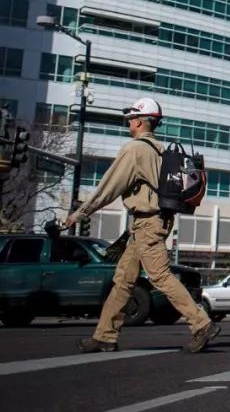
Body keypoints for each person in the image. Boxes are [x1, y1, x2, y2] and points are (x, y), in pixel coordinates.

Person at [63, 97, 221, 353]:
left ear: (138, 121)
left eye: (130, 119)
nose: (128, 123)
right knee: (123, 279)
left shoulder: (135, 150)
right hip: (150, 223)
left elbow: (108, 187)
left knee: (160, 276)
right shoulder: (161, 150)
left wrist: (79, 214)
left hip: (148, 223)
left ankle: (201, 323)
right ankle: (105, 336)